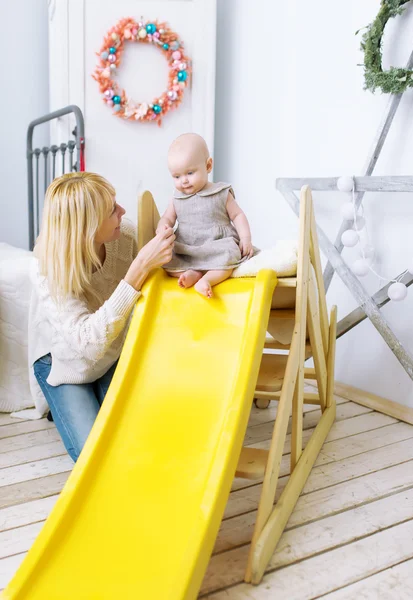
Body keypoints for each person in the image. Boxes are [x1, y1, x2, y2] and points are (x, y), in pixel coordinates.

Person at [29, 172, 175, 461]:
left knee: (138, 438)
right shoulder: (46, 267)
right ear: (88, 226)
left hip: (112, 353)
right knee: (96, 459)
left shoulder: (126, 236)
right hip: (66, 365)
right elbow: (87, 345)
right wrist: (138, 270)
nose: (122, 212)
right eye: (112, 210)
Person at [156, 133, 257, 298]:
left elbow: (238, 215)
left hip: (217, 244)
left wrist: (245, 238)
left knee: (228, 262)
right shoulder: (177, 198)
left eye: (190, 173)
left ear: (208, 165)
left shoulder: (220, 193)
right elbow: (167, 217)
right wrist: (163, 226)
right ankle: (194, 273)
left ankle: (207, 279)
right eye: (177, 176)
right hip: (188, 246)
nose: (184, 181)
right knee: (170, 265)